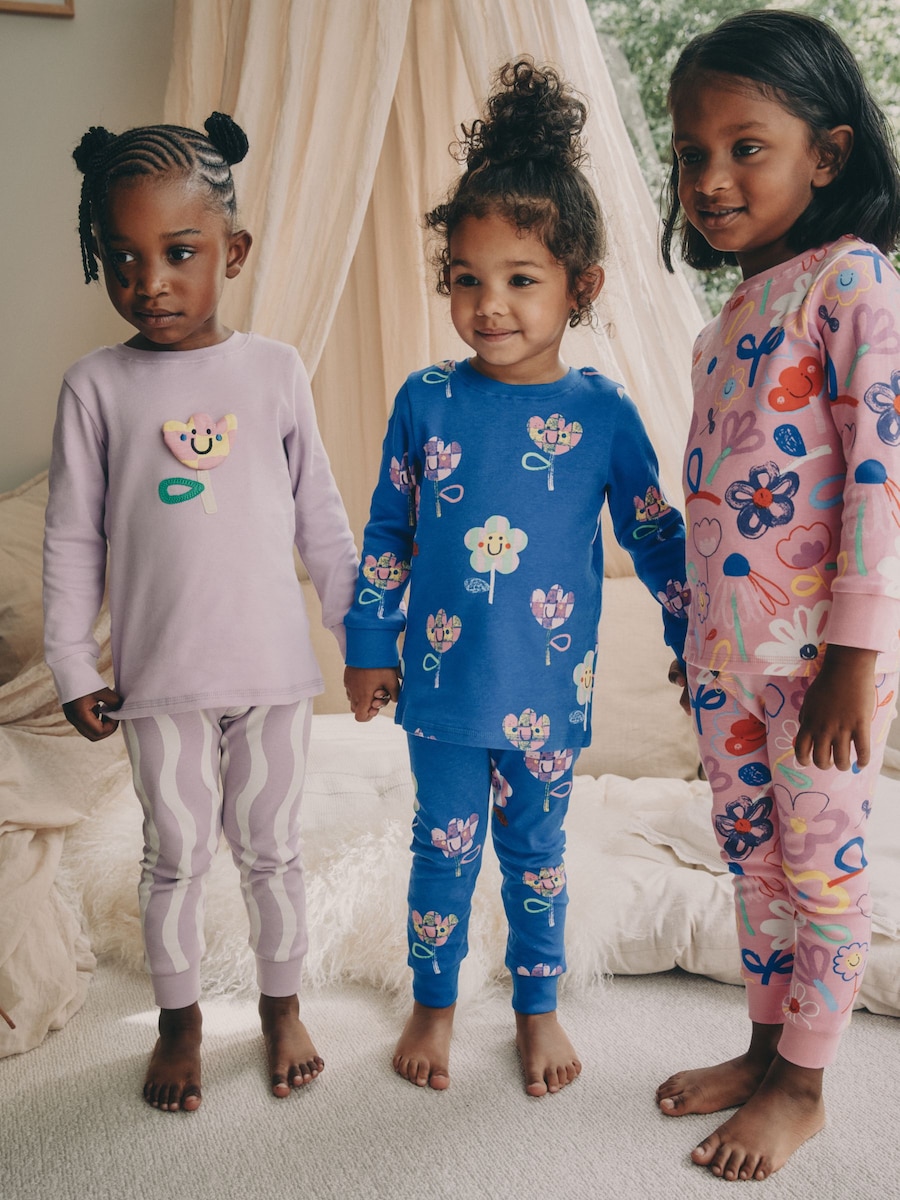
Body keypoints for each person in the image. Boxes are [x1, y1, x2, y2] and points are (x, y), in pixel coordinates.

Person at [343, 59, 688, 1097]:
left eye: (520, 279)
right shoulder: (426, 399)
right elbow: (388, 531)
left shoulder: (603, 413)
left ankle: (538, 1005)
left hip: (547, 692)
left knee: (537, 857)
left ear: (581, 285)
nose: (489, 305)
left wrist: (696, 643)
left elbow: (656, 537)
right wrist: (369, 644)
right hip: (444, 692)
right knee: (442, 849)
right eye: (467, 278)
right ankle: (434, 1000)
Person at [43, 114, 359, 1112]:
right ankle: (179, 1020)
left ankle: (280, 1004)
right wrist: (73, 664)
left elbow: (322, 520)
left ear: (234, 251)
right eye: (124, 258)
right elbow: (72, 539)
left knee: (273, 853)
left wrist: (361, 639)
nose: (151, 282)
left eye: (180, 253)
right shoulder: (96, 387)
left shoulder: (275, 371)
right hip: (160, 683)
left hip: (272, 678)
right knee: (173, 856)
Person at [657, 9, 900, 1181]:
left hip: (821, 663)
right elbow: (713, 503)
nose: (710, 177)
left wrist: (855, 652)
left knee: (821, 867)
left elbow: (881, 475)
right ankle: (762, 1048)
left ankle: (804, 1085)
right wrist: (695, 643)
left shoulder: (852, 282)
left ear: (830, 153)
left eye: (744, 147)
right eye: (690, 154)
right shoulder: (720, 326)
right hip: (728, 657)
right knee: (750, 862)